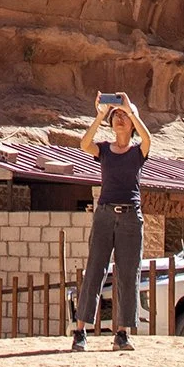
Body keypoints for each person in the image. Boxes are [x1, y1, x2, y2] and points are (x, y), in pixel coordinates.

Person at [69, 94, 147, 352]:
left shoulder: (138, 152)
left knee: (128, 274)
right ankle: (80, 331)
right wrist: (101, 114)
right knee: (94, 271)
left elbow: (148, 139)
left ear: (132, 123)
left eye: (123, 116)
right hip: (104, 215)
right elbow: (84, 143)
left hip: (130, 218)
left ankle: (122, 333)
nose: (120, 119)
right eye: (117, 117)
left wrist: (129, 108)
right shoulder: (103, 149)